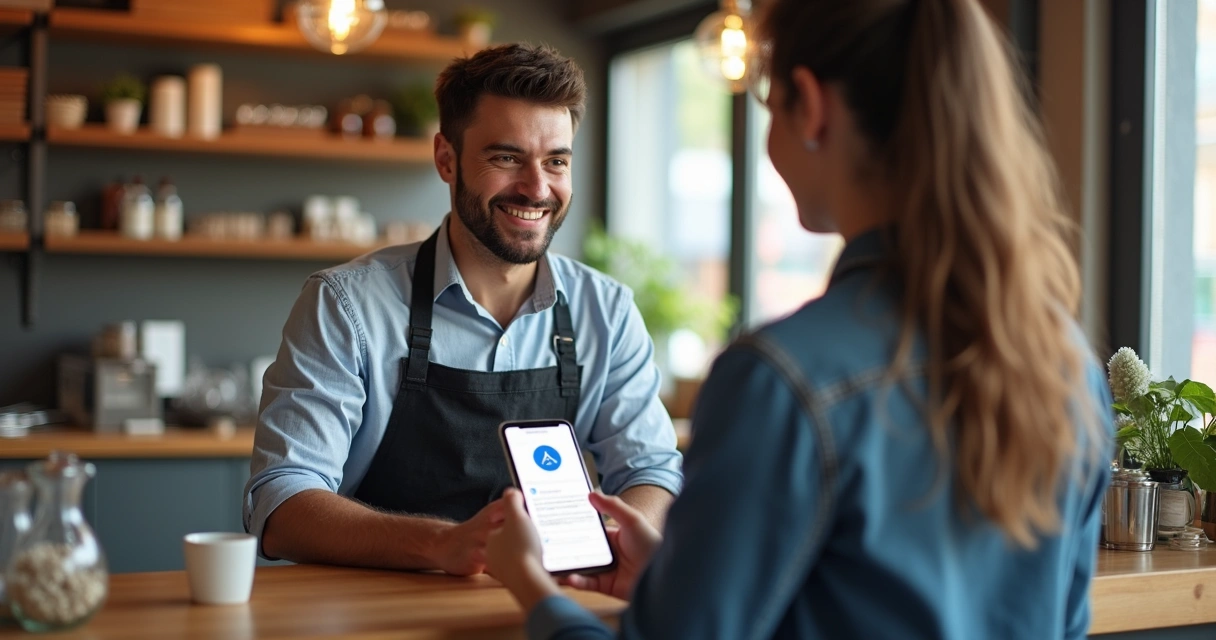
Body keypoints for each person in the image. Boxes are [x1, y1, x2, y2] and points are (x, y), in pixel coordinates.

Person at [485, 0, 1113, 638]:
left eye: (767, 106)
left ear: (809, 107)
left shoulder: (779, 379)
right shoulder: (1066, 364)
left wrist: (533, 588)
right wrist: (675, 580)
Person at [244, 44, 683, 576]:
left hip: (549, 606)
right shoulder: (346, 304)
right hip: (377, 614)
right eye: (506, 158)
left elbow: (652, 470)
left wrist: (610, 543)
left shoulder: (606, 311)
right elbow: (282, 504)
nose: (537, 187)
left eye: (556, 161)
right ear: (446, 159)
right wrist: (442, 545)